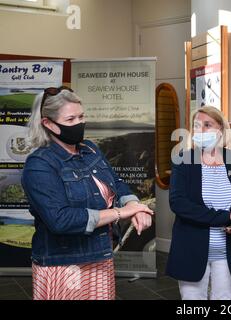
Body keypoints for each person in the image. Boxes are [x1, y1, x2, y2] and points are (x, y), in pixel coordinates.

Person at [21, 86, 153, 300]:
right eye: (71, 119)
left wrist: (134, 206)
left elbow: (116, 184)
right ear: (48, 124)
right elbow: (60, 220)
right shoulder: (39, 164)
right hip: (64, 265)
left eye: (81, 116)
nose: (79, 123)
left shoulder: (90, 149)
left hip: (99, 258)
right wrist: (120, 213)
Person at [166, 106, 231, 300]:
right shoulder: (183, 161)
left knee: (225, 299)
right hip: (191, 249)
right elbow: (178, 203)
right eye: (197, 125)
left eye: (207, 125)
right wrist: (225, 217)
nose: (201, 130)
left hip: (228, 251)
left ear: (221, 130)